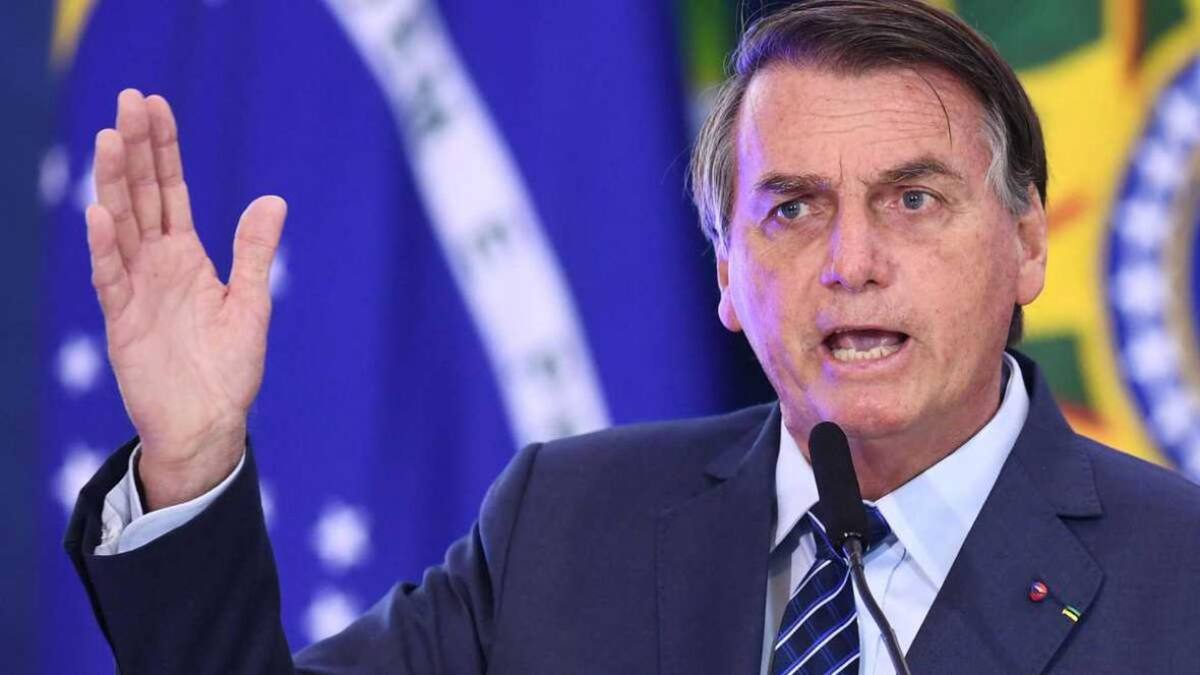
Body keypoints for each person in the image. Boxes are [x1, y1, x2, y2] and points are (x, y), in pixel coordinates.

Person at [67, 1, 1200, 673]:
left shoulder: (1180, 577)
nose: (851, 261)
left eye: (912, 199)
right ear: (726, 272)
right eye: (792, 209)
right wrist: (194, 457)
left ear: (1027, 244)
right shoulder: (565, 524)